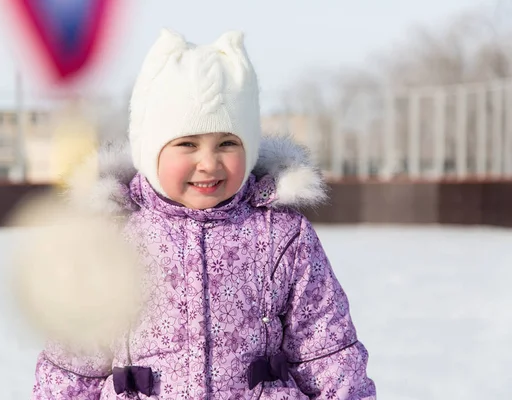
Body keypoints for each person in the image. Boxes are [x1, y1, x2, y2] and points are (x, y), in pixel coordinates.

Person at [31, 28, 376, 399]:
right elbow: (73, 361)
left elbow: (326, 349)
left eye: (227, 143)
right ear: (150, 151)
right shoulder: (112, 239)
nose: (209, 163)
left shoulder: (282, 235)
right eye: (187, 144)